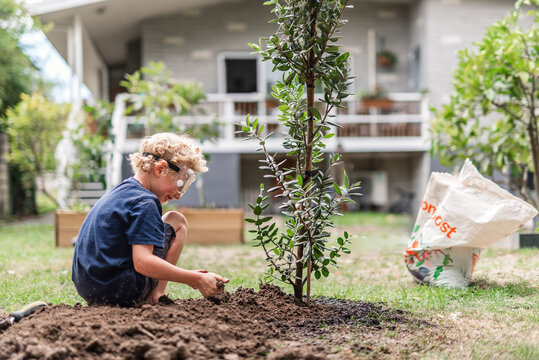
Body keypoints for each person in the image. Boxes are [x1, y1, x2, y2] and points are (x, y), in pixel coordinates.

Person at [72, 133, 228, 306]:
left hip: (92, 289)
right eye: (180, 185)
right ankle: (154, 296)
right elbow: (143, 262)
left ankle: (153, 295)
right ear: (160, 169)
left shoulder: (124, 191)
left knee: (173, 219)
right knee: (178, 221)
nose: (178, 195)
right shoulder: (145, 202)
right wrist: (195, 278)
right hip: (119, 290)